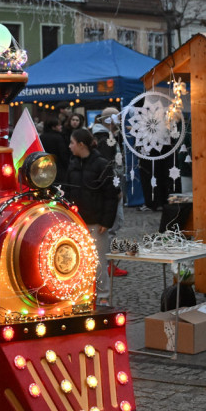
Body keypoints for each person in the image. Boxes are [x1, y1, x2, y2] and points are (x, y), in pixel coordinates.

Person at [64, 128, 120, 306]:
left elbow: (111, 195)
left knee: (98, 261)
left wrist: (106, 221)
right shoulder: (72, 164)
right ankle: (83, 294)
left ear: (81, 145)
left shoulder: (101, 164)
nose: (70, 146)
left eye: (72, 142)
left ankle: (103, 295)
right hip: (77, 221)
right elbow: (68, 191)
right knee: (78, 261)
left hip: (96, 222)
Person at [93, 107, 128, 277]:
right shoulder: (105, 139)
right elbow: (107, 167)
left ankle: (109, 263)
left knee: (114, 226)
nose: (120, 119)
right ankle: (109, 264)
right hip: (111, 188)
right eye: (118, 117)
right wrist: (115, 190)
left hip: (113, 186)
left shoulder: (107, 137)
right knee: (113, 226)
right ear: (110, 119)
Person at [39, 118, 70, 185]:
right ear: (53, 127)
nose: (61, 126)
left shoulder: (41, 137)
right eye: (59, 125)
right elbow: (63, 154)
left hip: (45, 167)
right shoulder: (59, 137)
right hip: (58, 168)